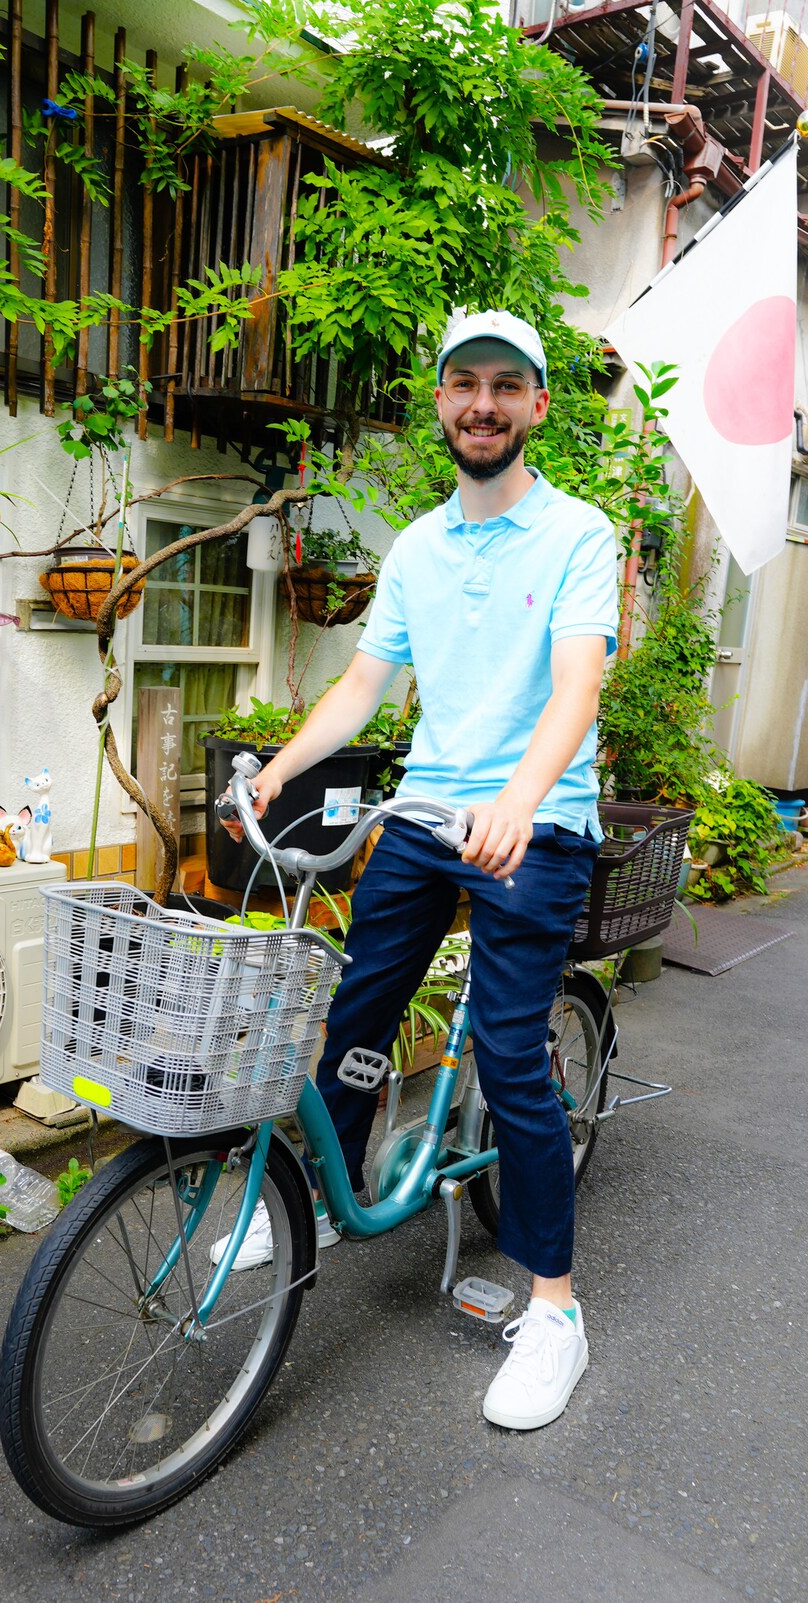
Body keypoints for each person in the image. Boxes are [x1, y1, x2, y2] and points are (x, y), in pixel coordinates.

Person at [223, 310, 619, 1432]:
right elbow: (362, 686)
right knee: (354, 1013)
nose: (482, 404)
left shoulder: (578, 535)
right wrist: (279, 774)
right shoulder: (415, 547)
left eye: (506, 385)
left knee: (507, 1049)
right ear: (439, 401)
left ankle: (554, 1313)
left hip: (532, 823)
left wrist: (521, 799)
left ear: (537, 405)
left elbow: (575, 691)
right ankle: (326, 1199)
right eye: (464, 384)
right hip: (428, 811)